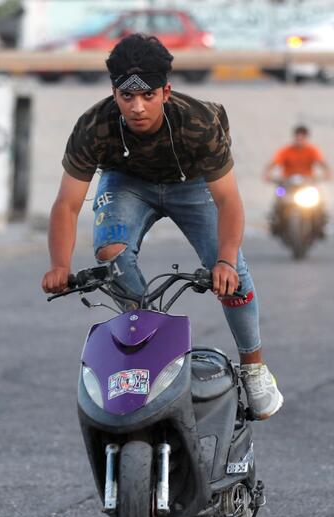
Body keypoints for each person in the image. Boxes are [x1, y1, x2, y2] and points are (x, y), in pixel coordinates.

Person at [41, 34, 283, 420]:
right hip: (127, 183)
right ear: (114, 93)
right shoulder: (93, 126)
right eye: (126, 97)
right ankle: (150, 346)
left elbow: (229, 201)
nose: (137, 108)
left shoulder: (198, 122)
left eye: (148, 96)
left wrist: (222, 260)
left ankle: (254, 366)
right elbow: (67, 205)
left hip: (193, 184)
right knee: (111, 256)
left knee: (232, 271)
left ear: (166, 91)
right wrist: (58, 265)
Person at [263, 125, 332, 183]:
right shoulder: (286, 150)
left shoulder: (312, 150)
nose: (300, 140)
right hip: (287, 182)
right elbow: (274, 162)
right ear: (294, 137)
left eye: (302, 138)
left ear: (306, 138)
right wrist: (267, 174)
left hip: (307, 182)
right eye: (298, 137)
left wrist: (327, 173)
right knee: (279, 194)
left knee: (319, 196)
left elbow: (321, 162)